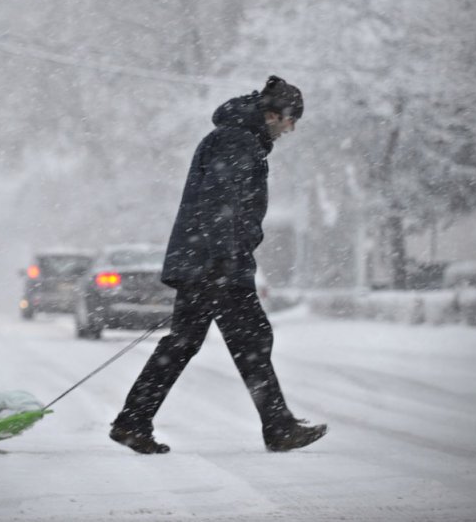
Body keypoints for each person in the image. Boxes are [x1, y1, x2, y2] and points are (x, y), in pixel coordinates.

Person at [109, 75, 327, 454]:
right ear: (274, 115)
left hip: (209, 260)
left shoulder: (239, 138)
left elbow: (224, 205)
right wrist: (223, 259)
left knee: (191, 342)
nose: (291, 129)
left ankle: (133, 420)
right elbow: (220, 202)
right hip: (215, 263)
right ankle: (278, 427)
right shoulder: (236, 140)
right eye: (291, 120)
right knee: (250, 341)